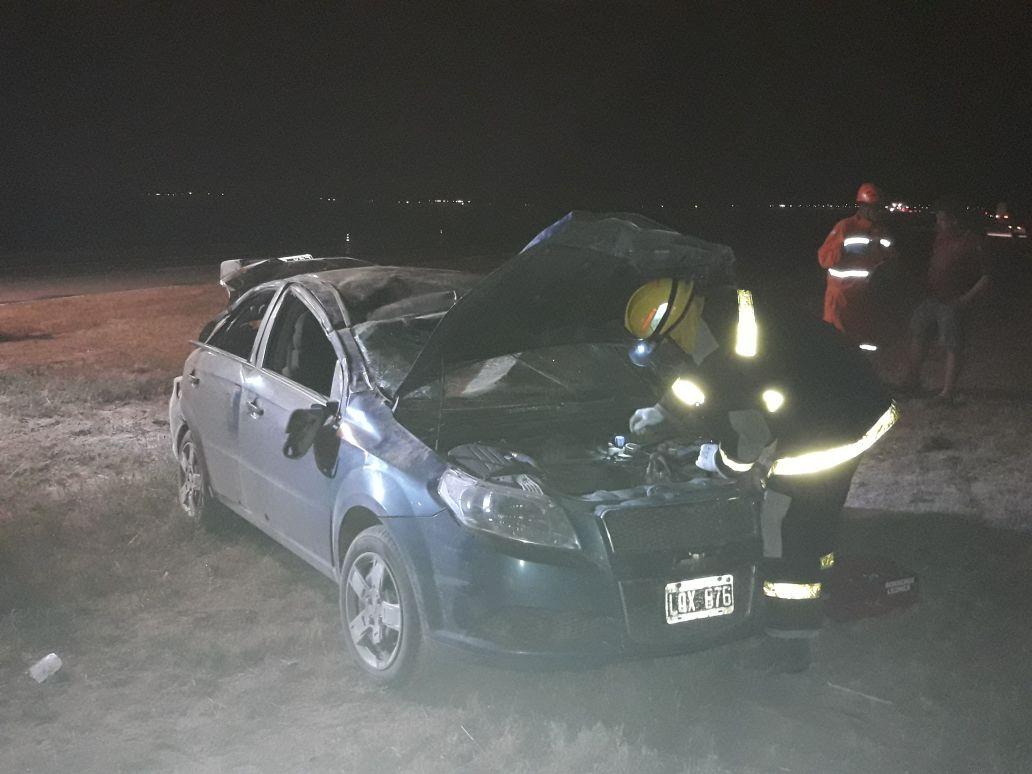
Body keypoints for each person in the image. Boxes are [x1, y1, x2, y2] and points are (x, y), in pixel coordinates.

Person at [625, 277, 898, 671]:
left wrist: (714, 463)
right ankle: (823, 582)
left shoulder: (720, 349)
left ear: (671, 329)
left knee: (783, 519)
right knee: (817, 511)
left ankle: (789, 643)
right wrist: (662, 410)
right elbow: (703, 375)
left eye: (662, 344)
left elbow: (746, 440)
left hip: (831, 420)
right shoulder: (715, 314)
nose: (666, 352)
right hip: (852, 398)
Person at [901, 199, 992, 403]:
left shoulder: (971, 242)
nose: (938, 223)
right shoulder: (941, 237)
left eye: (942, 219)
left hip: (954, 301)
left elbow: (986, 277)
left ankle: (947, 393)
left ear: (954, 221)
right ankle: (912, 381)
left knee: (952, 345)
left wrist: (965, 300)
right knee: (918, 332)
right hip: (933, 298)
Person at [817, 183, 898, 351]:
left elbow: (890, 258)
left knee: (862, 338)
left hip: (864, 293)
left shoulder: (881, 232)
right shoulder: (845, 227)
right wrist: (842, 251)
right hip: (840, 294)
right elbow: (823, 258)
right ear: (862, 207)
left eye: (879, 208)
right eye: (874, 208)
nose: (878, 212)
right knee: (835, 338)